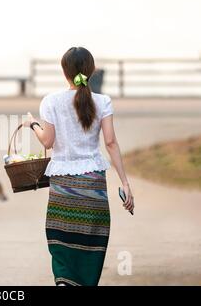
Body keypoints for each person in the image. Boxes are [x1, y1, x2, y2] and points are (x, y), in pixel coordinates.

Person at [24, 47, 134, 286]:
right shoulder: (102, 101)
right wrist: (125, 182)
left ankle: (63, 281)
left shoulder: (51, 101)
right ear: (92, 71)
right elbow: (111, 142)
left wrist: (32, 124)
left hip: (63, 184)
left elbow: (48, 141)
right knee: (92, 240)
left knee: (61, 237)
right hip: (93, 184)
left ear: (64, 71)